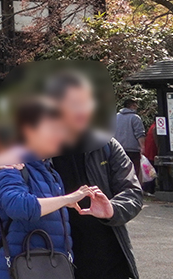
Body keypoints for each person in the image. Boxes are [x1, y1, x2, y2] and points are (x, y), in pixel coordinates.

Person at [46, 71, 142, 279]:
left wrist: (112, 209)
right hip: (53, 257)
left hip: (107, 258)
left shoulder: (106, 145)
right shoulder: (38, 151)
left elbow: (132, 192)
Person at [0, 97, 95, 279]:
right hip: (19, 270)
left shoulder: (51, 172)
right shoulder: (12, 167)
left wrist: (63, 202)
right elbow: (19, 207)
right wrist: (67, 199)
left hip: (51, 268)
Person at [114, 99, 146, 181]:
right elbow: (139, 134)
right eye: (135, 105)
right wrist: (142, 147)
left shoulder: (115, 117)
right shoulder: (135, 118)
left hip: (118, 150)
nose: (137, 107)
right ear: (132, 106)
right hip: (133, 150)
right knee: (134, 172)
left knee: (122, 172)